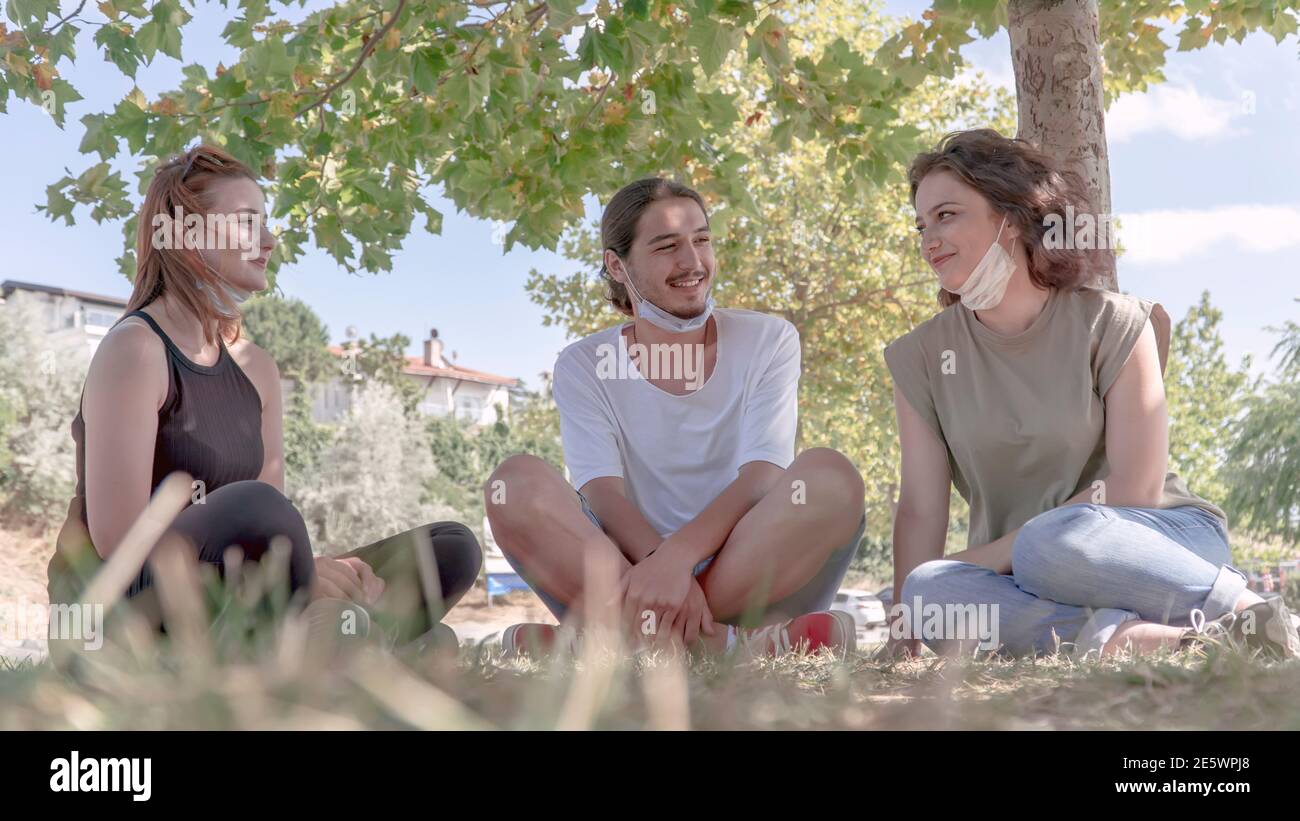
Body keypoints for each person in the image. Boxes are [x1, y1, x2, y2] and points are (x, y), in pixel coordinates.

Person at [47, 144, 482, 660]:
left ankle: (333, 637)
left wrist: (316, 572)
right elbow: (118, 542)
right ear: (187, 234)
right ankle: (362, 642)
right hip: (127, 615)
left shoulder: (257, 369)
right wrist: (298, 569)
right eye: (247, 223)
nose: (269, 241)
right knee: (255, 506)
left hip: (244, 603)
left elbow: (277, 539)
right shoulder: (135, 349)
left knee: (451, 547)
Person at [884, 129, 1299, 660]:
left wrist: (993, 555)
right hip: (1024, 573)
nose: (928, 239)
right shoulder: (919, 356)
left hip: (1154, 538)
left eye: (946, 215)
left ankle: (1252, 615)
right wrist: (906, 629)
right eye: (920, 225)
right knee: (928, 590)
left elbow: (1135, 486)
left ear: (1010, 219)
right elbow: (920, 507)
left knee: (1049, 543)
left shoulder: (1116, 322)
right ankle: (1170, 641)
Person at [485, 177, 866, 657]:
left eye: (701, 240)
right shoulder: (584, 363)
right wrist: (656, 563)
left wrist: (680, 558)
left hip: (747, 571)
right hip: (630, 572)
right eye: (667, 246)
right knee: (514, 482)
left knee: (830, 476)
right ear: (616, 265)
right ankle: (725, 645)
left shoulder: (769, 339)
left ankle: (622, 643)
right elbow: (601, 491)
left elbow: (761, 477)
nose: (692, 262)